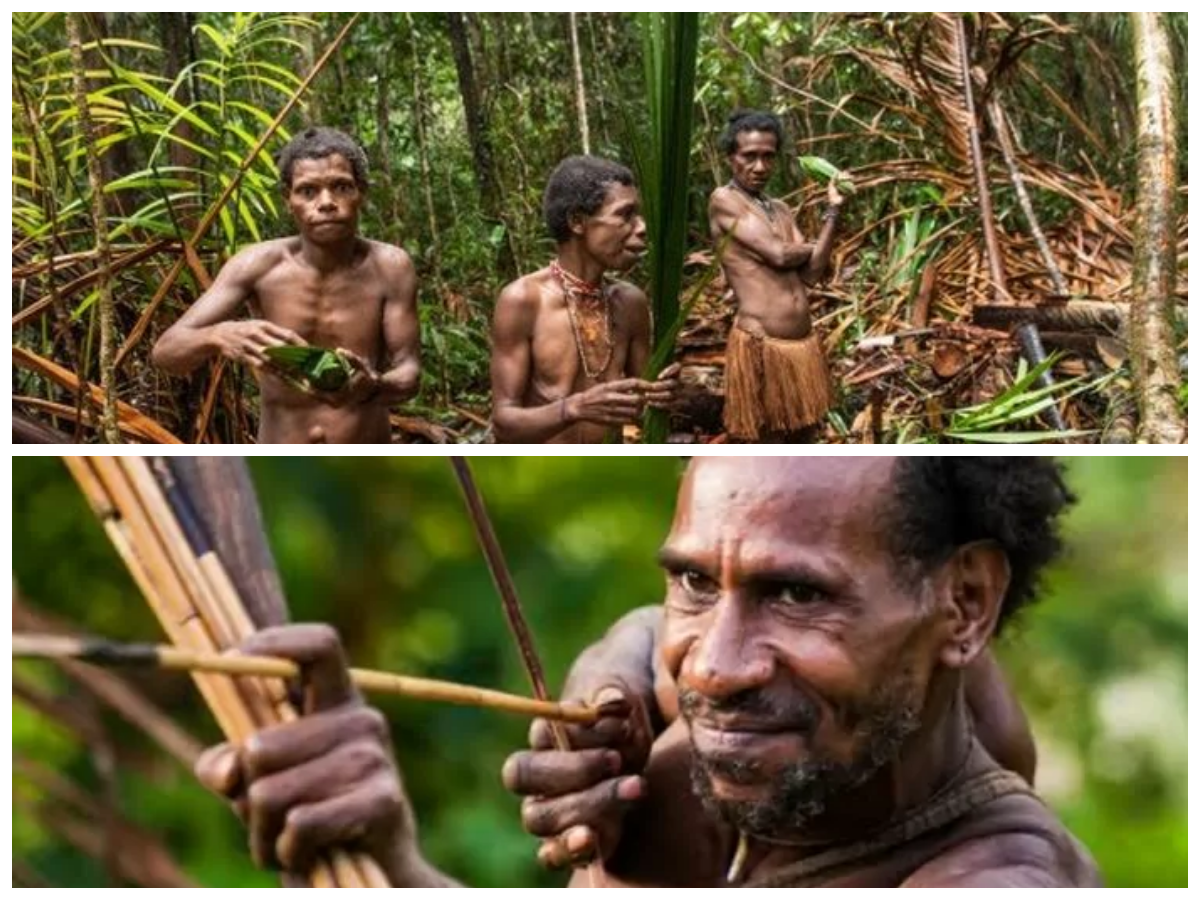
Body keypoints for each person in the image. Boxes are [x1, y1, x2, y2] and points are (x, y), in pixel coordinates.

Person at [192, 457, 1099, 887]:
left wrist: (389, 866)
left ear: (965, 605)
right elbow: (648, 631)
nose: (713, 666)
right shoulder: (834, 719)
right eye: (697, 581)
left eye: (796, 594)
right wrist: (616, 677)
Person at [152, 127, 420, 443]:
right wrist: (218, 335)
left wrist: (373, 386)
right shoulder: (256, 265)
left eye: (341, 187)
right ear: (287, 199)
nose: (326, 202)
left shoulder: (390, 267)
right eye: (308, 191)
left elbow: (410, 373)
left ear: (361, 191)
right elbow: (166, 353)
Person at [490, 156, 680, 443]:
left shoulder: (631, 303)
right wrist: (574, 407)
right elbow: (504, 422)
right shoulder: (524, 300)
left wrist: (665, 394)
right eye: (625, 215)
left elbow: (645, 404)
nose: (641, 227)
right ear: (578, 221)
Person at [710, 110, 843, 442]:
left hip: (802, 348)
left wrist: (834, 211)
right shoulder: (724, 201)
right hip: (762, 346)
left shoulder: (781, 209)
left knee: (804, 439)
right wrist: (807, 247)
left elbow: (813, 272)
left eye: (768, 157)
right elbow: (779, 254)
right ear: (731, 158)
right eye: (749, 156)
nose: (759, 167)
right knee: (767, 442)